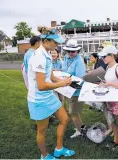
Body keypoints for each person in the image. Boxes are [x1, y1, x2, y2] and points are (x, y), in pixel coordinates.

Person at [27, 27, 75, 159]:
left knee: (64, 119)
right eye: (56, 42)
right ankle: (44, 156)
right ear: (46, 41)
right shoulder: (38, 57)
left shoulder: (47, 53)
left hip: (49, 96)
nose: (57, 45)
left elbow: (51, 76)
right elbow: (41, 86)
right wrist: (62, 84)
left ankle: (59, 149)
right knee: (42, 130)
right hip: (38, 100)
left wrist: (64, 81)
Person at [100, 45, 118, 151]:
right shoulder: (108, 67)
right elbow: (110, 82)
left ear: (112, 56)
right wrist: (104, 84)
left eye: (104, 56)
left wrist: (111, 85)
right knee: (113, 122)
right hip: (110, 98)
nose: (102, 59)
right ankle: (115, 140)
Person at [62, 39, 86, 138]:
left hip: (76, 90)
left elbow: (79, 79)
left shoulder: (79, 61)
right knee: (73, 111)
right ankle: (81, 127)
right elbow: (64, 71)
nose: (70, 53)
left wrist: (67, 82)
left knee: (73, 112)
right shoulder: (66, 58)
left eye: (73, 51)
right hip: (67, 89)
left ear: (77, 51)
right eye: (68, 51)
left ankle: (80, 131)